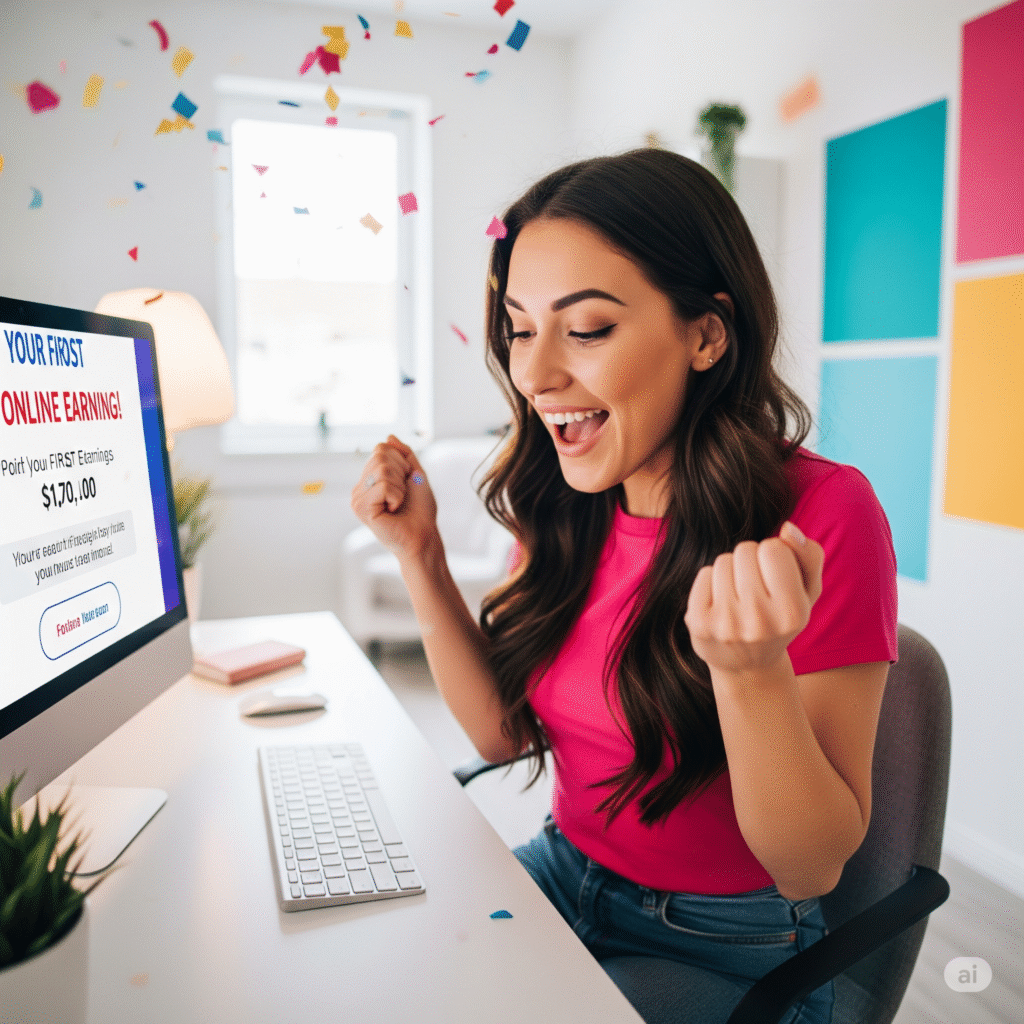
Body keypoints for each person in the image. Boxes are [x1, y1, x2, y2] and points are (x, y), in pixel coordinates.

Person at [351, 148, 898, 1024]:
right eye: (521, 329)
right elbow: (501, 735)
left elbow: (810, 866)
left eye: (589, 328)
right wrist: (421, 555)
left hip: (726, 940)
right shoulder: (564, 497)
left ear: (707, 333)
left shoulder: (823, 513)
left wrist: (748, 670)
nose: (534, 376)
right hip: (566, 873)